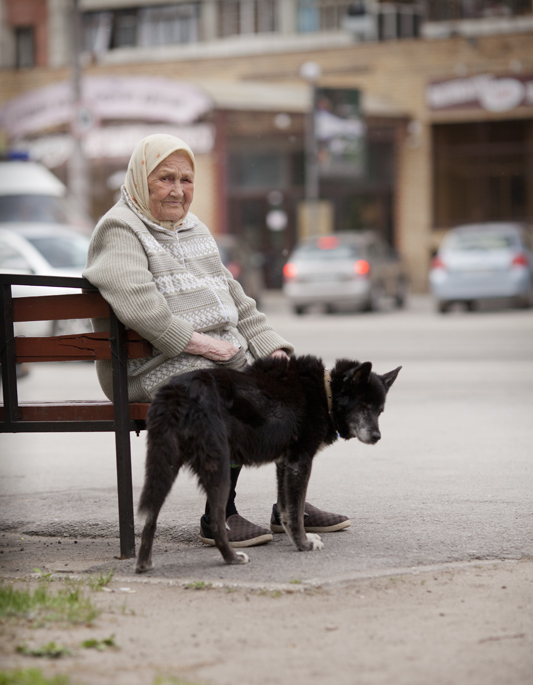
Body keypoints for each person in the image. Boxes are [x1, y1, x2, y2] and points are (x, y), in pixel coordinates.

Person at [83, 134, 350, 547]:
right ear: (140, 179)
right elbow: (140, 307)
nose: (178, 189)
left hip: (212, 359)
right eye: (165, 178)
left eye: (186, 180)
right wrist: (206, 346)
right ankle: (218, 517)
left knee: (291, 387)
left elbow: (237, 299)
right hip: (145, 366)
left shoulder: (194, 229)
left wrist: (272, 348)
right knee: (236, 389)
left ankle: (287, 508)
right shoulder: (120, 228)